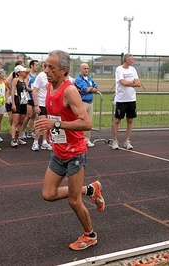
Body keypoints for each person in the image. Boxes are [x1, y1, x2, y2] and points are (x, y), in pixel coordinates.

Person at [34, 50, 105, 251]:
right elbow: (55, 114)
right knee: (48, 194)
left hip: (75, 153)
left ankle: (89, 235)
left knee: (74, 202)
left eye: (51, 67)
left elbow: (87, 123)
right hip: (58, 151)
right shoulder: (49, 86)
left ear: (64, 70)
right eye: (45, 66)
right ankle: (90, 189)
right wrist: (50, 127)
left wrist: (56, 125)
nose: (46, 70)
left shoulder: (69, 90)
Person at [112, 54, 141, 150]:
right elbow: (122, 82)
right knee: (117, 120)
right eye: (132, 59)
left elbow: (138, 83)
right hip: (121, 99)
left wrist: (132, 83)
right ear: (127, 60)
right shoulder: (119, 69)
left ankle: (127, 141)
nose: (133, 60)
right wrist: (132, 83)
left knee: (130, 120)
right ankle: (115, 141)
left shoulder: (133, 70)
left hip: (131, 99)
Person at [74, 63, 98, 148]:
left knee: (88, 122)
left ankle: (87, 139)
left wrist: (90, 89)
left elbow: (96, 87)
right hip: (82, 102)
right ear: (81, 69)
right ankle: (79, 139)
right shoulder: (78, 79)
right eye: (84, 68)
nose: (86, 70)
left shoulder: (90, 78)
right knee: (81, 121)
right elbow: (84, 89)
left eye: (87, 68)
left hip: (90, 102)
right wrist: (91, 88)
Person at [31, 61, 52, 151]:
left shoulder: (51, 76)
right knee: (41, 123)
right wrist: (36, 105)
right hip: (41, 103)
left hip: (49, 103)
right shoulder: (40, 76)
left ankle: (44, 142)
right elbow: (34, 90)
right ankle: (35, 142)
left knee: (47, 124)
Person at [10, 65, 29, 147]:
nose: (24, 72)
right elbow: (13, 91)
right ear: (18, 72)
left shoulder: (24, 80)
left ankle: (20, 138)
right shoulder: (15, 80)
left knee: (21, 121)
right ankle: (13, 139)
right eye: (22, 71)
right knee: (15, 122)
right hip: (17, 102)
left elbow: (26, 89)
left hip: (24, 102)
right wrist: (13, 103)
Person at [22, 60, 39, 139]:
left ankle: (30, 131)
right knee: (28, 115)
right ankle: (22, 130)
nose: (37, 67)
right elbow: (26, 86)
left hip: (34, 97)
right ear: (31, 66)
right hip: (28, 97)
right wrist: (33, 90)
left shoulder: (36, 76)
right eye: (36, 65)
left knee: (33, 115)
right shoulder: (28, 75)